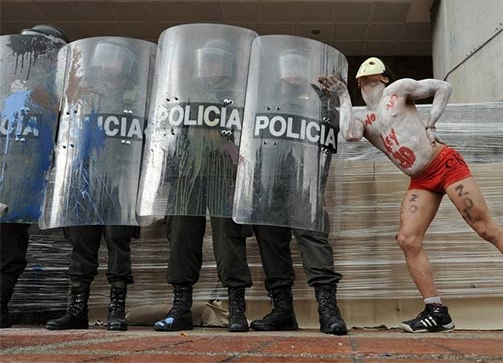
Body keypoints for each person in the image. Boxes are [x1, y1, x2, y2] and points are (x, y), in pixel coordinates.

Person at [318, 57, 503, 334]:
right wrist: (342, 96)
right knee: (408, 239)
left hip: (444, 164)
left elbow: (443, 87)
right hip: (421, 179)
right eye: (360, 82)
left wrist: (432, 124)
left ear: (384, 78)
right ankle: (436, 311)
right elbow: (350, 135)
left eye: (370, 78)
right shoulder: (365, 118)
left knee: (486, 228)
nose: (365, 83)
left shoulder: (398, 90)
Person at [45, 39, 151, 331]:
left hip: (119, 181)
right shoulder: (85, 95)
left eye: (115, 57)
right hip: (85, 180)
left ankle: (117, 309)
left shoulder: (137, 95)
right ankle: (77, 309)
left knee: (118, 243)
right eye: (104, 57)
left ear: (127, 64)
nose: (107, 63)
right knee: (82, 244)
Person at [153, 38, 253, 333]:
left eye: (217, 60)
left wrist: (241, 165)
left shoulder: (238, 94)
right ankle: (181, 308)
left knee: (229, 237)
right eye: (206, 59)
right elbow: (169, 133)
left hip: (224, 171)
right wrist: (165, 172)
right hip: (187, 170)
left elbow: (245, 135)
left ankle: (236, 309)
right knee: (181, 235)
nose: (211, 65)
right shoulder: (185, 93)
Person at [249, 51, 347, 336]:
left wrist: (332, 96)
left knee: (313, 237)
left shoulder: (319, 98)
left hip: (303, 180)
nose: (293, 71)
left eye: (299, 66)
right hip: (268, 181)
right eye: (288, 64)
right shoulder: (265, 98)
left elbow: (333, 131)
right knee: (269, 241)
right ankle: (282, 310)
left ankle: (328, 310)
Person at [1, 25, 68, 328]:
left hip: (24, 184)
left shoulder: (55, 92)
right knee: (10, 252)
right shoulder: (13, 87)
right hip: (15, 182)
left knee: (11, 251)